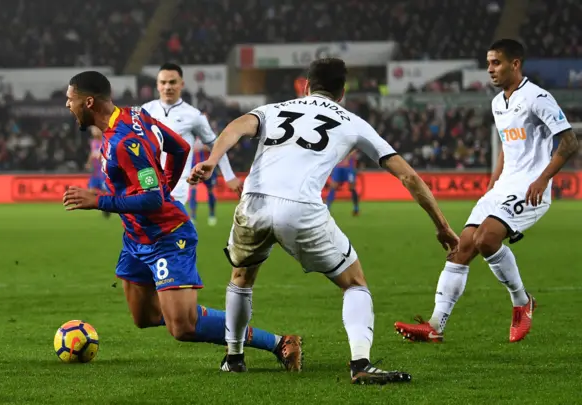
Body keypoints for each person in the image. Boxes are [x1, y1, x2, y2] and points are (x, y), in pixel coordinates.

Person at [188, 58, 459, 384]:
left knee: (241, 278)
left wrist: (213, 160)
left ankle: (234, 358)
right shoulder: (353, 122)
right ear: (342, 92)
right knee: (354, 283)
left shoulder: (273, 109)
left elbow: (234, 127)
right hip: (301, 209)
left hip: (253, 203)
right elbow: (409, 177)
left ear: (305, 85)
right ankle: (360, 364)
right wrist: (442, 225)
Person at [62, 71, 302, 370]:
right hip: (137, 238)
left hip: (167, 236)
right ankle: (186, 312)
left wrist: (98, 200)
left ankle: (279, 342)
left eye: (70, 100)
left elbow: (152, 200)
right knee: (144, 317)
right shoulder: (134, 116)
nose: (67, 105)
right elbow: (180, 147)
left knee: (182, 328)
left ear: (88, 101)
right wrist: (164, 184)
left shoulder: (126, 140)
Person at [394, 39, 579, 343]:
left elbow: (570, 141)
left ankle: (522, 303)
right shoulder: (497, 103)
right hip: (503, 187)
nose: (490, 69)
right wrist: (493, 181)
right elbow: (508, 146)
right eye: (488, 63)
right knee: (462, 247)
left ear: (515, 64)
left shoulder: (537, 97)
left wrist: (543, 178)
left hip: (531, 188)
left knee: (486, 239)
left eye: (496, 63)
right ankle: (435, 325)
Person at [142, 63, 242, 206]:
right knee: (143, 226)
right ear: (157, 85)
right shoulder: (145, 110)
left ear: (181, 84)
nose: (167, 87)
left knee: (170, 225)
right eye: (163, 82)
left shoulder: (194, 115)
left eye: (172, 82)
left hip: (177, 185)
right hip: (148, 181)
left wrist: (229, 175)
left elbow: (215, 145)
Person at [189, 139, 219, 225]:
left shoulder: (208, 135)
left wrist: (202, 147)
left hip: (208, 168)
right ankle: (193, 216)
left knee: (210, 191)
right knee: (193, 191)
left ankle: (212, 214)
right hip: (195, 166)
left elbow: (214, 148)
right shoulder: (192, 136)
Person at [86, 126, 110, 218]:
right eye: (93, 130)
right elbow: (92, 153)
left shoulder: (105, 140)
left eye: (95, 130)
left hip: (103, 172)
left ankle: (106, 208)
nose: (93, 132)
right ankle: (103, 204)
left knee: (105, 192)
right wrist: (88, 163)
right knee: (91, 192)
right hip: (95, 172)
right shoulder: (93, 142)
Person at [326, 150, 360, 215]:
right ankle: (327, 207)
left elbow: (356, 148)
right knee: (333, 186)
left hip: (349, 167)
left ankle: (356, 208)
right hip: (338, 167)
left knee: (352, 187)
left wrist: (348, 157)